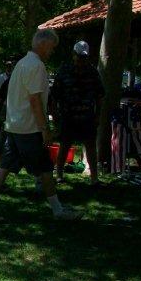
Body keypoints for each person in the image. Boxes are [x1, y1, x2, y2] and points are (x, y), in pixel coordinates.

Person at [0, 30, 81, 222]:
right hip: (29, 128)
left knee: (5, 167)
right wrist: (45, 129)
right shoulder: (36, 66)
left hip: (14, 126)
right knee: (44, 169)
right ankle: (58, 211)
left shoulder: (21, 64)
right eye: (52, 47)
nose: (52, 52)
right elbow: (35, 100)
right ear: (43, 44)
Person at [51, 41, 104, 186]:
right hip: (68, 116)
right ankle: (59, 174)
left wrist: (98, 115)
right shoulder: (64, 71)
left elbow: (99, 96)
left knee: (91, 147)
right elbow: (54, 96)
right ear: (73, 55)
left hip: (87, 116)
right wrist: (55, 115)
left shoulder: (93, 72)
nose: (81, 60)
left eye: (84, 57)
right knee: (65, 145)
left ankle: (94, 178)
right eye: (79, 56)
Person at [0, 57, 19, 168]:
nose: (10, 67)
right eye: (9, 65)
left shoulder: (20, 79)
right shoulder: (5, 80)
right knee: (3, 137)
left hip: (19, 114)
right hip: (7, 111)